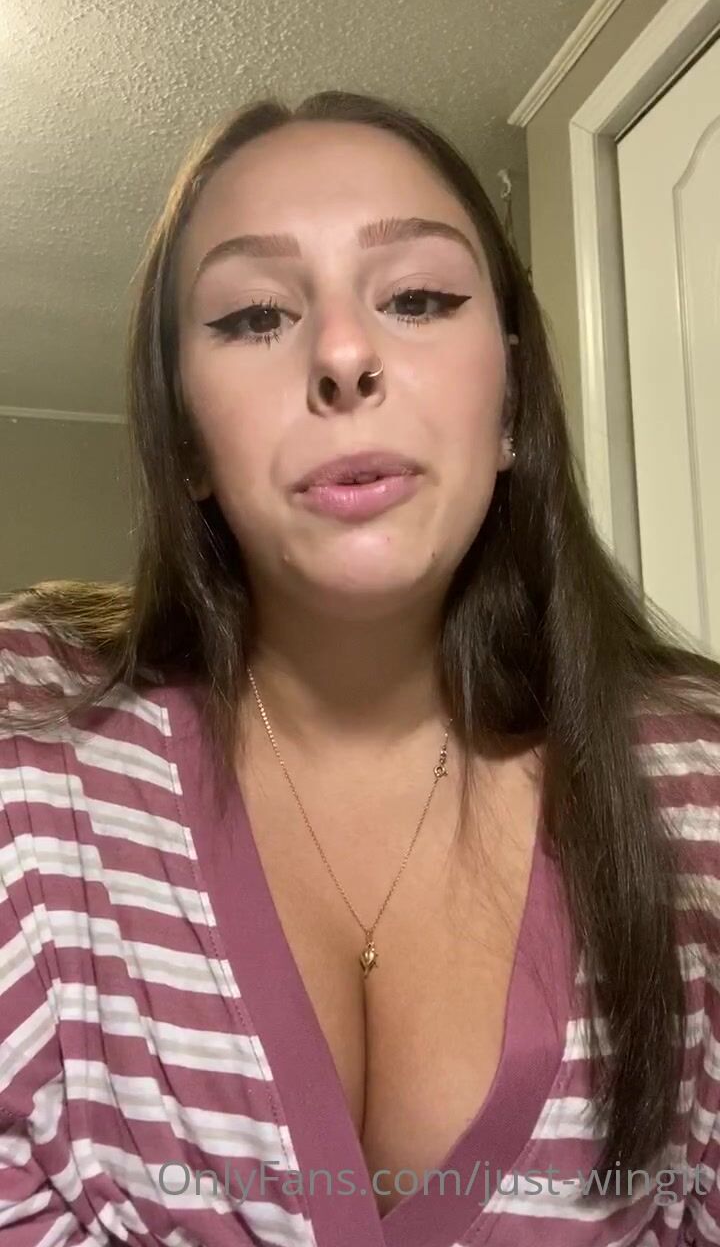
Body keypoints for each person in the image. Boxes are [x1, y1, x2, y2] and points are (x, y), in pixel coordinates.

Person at [1, 88, 719, 1247]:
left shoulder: (695, 784)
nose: (343, 355)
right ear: (186, 439)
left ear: (512, 407)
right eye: (254, 316)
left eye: (419, 298)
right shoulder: (33, 763)